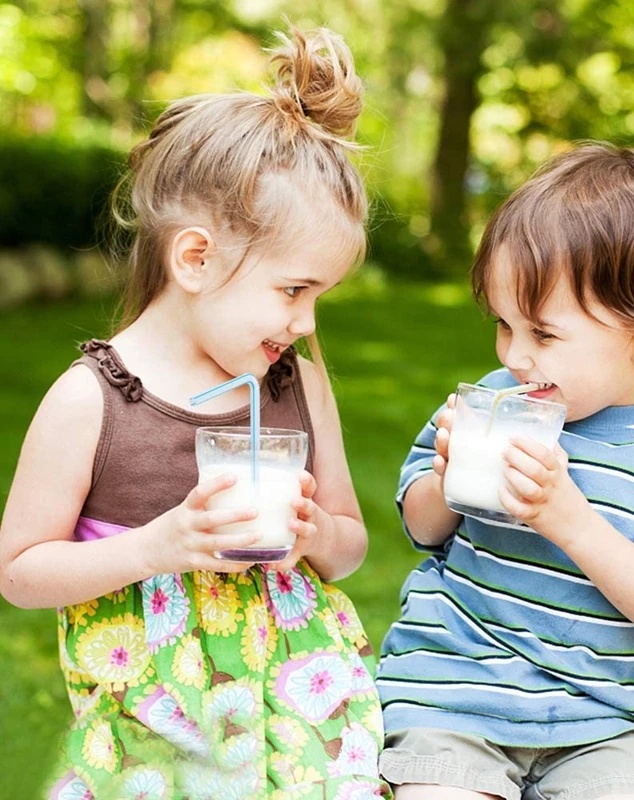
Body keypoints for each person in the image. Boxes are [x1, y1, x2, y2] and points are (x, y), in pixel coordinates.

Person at [0, 25, 391, 800]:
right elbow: (19, 571)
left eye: (320, 296)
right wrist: (157, 547)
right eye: (292, 290)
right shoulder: (93, 401)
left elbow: (348, 546)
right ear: (195, 259)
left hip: (304, 719)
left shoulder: (299, 387)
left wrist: (313, 535)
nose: (307, 323)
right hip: (155, 726)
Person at [375, 143, 634, 800]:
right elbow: (422, 526)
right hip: (454, 695)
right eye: (503, 325)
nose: (515, 356)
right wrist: (446, 479)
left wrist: (569, 520)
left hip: (604, 724)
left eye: (543, 335)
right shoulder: (492, 402)